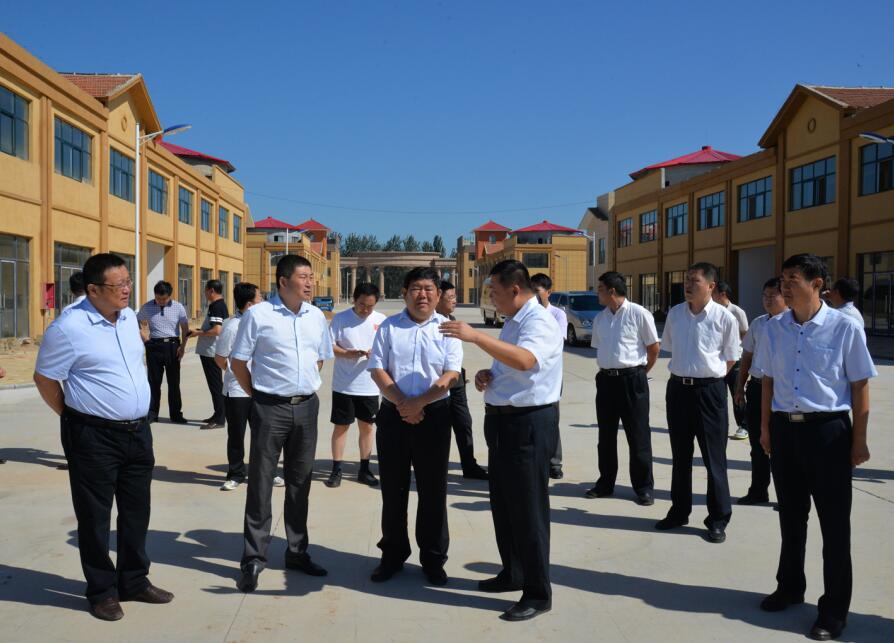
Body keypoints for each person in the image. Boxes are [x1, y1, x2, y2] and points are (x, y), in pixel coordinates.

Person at [33, 253, 173, 621]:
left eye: (128, 281)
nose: (127, 289)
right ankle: (101, 591)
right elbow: (45, 379)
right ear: (93, 290)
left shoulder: (127, 318)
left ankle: (134, 580)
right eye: (119, 284)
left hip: (137, 432)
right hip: (93, 436)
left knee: (136, 511)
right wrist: (75, 416)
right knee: (95, 517)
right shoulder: (68, 327)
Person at [754, 254, 876, 642]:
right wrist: (765, 428)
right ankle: (790, 586)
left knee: (834, 526)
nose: (784, 286)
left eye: (793, 279)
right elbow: (767, 380)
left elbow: (859, 384)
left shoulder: (844, 327)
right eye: (782, 279)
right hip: (784, 431)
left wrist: (859, 439)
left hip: (828, 434)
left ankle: (834, 610)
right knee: (791, 518)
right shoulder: (775, 328)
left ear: (817, 284)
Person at [440, 260, 563, 622]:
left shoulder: (538, 321)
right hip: (503, 422)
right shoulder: (512, 322)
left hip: (528, 424)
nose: (490, 296)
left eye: (494, 290)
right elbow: (510, 365)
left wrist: (476, 337)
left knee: (528, 510)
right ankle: (513, 572)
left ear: (515, 289)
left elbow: (526, 360)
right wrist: (488, 375)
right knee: (505, 505)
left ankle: (538, 593)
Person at [230, 255, 334, 592]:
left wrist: (301, 386)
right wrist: (258, 395)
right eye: (304, 277)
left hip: (306, 408)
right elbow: (238, 362)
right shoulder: (258, 315)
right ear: (283, 282)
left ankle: (297, 551)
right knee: (261, 483)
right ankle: (253, 558)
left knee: (300, 483)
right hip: (269, 408)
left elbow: (319, 358)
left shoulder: (316, 316)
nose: (310, 282)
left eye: (311, 276)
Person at [367, 267, 462, 587]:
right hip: (393, 415)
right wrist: (402, 404)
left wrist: (419, 403)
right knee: (393, 490)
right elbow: (377, 368)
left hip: (434, 416)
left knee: (433, 491)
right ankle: (392, 555)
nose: (423, 294)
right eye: (416, 288)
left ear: (438, 294)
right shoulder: (389, 326)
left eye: (429, 289)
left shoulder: (448, 329)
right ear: (405, 293)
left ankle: (433, 559)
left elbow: (452, 374)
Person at [658, 262, 739, 544]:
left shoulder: (724, 318)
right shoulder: (676, 314)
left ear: (711, 286)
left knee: (714, 459)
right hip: (678, 390)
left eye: (694, 280)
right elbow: (669, 347)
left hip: (709, 392)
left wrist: (709, 379)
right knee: (680, 456)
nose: (688, 285)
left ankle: (717, 519)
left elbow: (731, 358)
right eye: (686, 280)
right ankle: (679, 511)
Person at [586, 271, 659, 506]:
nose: (597, 293)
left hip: (632, 380)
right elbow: (599, 347)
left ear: (612, 291)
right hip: (606, 381)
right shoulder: (600, 319)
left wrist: (641, 374)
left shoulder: (639, 313)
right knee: (605, 436)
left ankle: (643, 487)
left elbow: (653, 348)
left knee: (638, 436)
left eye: (600, 289)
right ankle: (605, 483)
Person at [214, 282, 285, 491]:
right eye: (259, 298)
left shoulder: (262, 323)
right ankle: (236, 474)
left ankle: (268, 472)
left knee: (264, 435)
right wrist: (235, 374)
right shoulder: (232, 326)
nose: (263, 301)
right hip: (237, 392)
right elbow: (220, 358)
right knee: (236, 435)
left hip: (261, 389)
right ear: (249, 304)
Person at [325, 282, 386, 488]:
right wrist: (347, 353)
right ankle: (336, 469)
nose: (365, 310)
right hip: (344, 385)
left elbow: (388, 348)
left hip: (370, 385)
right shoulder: (340, 319)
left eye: (370, 306)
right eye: (362, 305)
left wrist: (375, 353)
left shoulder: (381, 320)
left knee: (367, 427)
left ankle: (364, 469)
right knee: (341, 427)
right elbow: (329, 345)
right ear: (354, 299)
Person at [733, 277, 787, 506]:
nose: (767, 300)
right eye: (764, 296)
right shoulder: (758, 323)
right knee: (757, 444)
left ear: (786, 296)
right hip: (756, 388)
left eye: (772, 295)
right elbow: (747, 356)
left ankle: (787, 498)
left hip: (782, 392)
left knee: (783, 447)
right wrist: (740, 387)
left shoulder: (794, 325)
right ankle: (758, 490)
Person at [435, 280, 488, 480]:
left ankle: (469, 465)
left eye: (455, 297)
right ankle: (435, 467)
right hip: (437, 384)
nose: (454, 301)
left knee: (463, 423)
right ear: (438, 298)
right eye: (450, 297)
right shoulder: (431, 322)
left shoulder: (453, 319)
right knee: (439, 429)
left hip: (456, 382)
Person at [137, 281, 189, 424]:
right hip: (154, 346)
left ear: (169, 296)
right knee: (153, 382)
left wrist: (183, 347)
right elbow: (137, 322)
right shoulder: (147, 307)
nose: (161, 301)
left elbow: (185, 328)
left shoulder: (178, 307)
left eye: (164, 299)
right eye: (158, 298)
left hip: (173, 346)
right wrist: (145, 340)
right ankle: (152, 414)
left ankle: (176, 414)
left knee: (174, 383)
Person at [531, 272, 566, 480]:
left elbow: (556, 342)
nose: (534, 295)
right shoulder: (524, 313)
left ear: (549, 292)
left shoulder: (557, 315)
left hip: (551, 376)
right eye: (531, 290)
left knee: (551, 419)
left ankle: (554, 462)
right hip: (529, 375)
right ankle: (537, 459)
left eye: (538, 291)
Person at [712, 281, 749, 440]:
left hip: (735, 359)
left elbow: (745, 334)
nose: (711, 296)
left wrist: (734, 345)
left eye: (713, 293)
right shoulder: (712, 311)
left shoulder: (737, 312)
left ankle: (744, 425)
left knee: (737, 393)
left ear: (723, 294)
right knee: (718, 394)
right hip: (717, 359)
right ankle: (719, 424)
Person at [190, 279, 229, 430]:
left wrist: (198, 333)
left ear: (211, 290)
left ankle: (220, 419)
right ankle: (218, 414)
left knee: (216, 385)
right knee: (215, 385)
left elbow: (217, 330)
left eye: (205, 290)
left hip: (211, 351)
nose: (204, 293)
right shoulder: (218, 305)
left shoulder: (217, 306)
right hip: (211, 351)